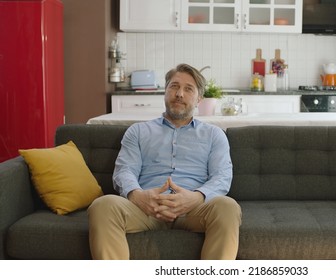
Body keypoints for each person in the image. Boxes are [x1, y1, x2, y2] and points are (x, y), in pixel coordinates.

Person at [87, 63, 242, 260]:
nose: (179, 94)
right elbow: (124, 171)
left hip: (194, 209)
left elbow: (222, 176)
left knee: (227, 207)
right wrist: (139, 197)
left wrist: (196, 198)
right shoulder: (138, 131)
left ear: (199, 99)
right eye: (174, 86)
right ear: (165, 91)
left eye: (188, 89)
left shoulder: (214, 135)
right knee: (103, 205)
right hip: (145, 208)